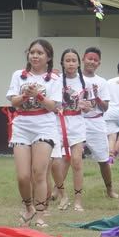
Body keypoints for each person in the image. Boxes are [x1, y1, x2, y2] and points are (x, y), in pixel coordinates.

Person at [6, 39, 62, 228]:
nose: (35, 56)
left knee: (39, 173)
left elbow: (53, 106)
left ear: (48, 57)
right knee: (23, 176)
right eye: (32, 52)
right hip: (22, 125)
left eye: (40, 53)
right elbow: (13, 102)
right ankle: (28, 208)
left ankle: (40, 215)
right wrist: (25, 95)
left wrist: (38, 95)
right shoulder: (18, 75)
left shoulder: (54, 79)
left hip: (45, 125)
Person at [51, 48, 88, 212]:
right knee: (55, 162)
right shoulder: (56, 81)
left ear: (79, 63)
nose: (71, 63)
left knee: (77, 162)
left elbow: (90, 105)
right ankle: (62, 194)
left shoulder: (84, 82)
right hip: (58, 124)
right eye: (67, 60)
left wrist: (87, 106)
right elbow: (51, 104)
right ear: (62, 63)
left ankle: (78, 201)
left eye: (74, 60)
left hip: (77, 124)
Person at [80, 47, 117, 199]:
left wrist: (96, 97)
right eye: (90, 58)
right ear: (83, 59)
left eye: (95, 60)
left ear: (99, 63)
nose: (92, 62)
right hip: (76, 121)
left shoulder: (102, 82)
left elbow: (105, 107)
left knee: (103, 159)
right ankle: (58, 190)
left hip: (96, 122)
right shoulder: (74, 78)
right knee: (67, 157)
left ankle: (110, 190)